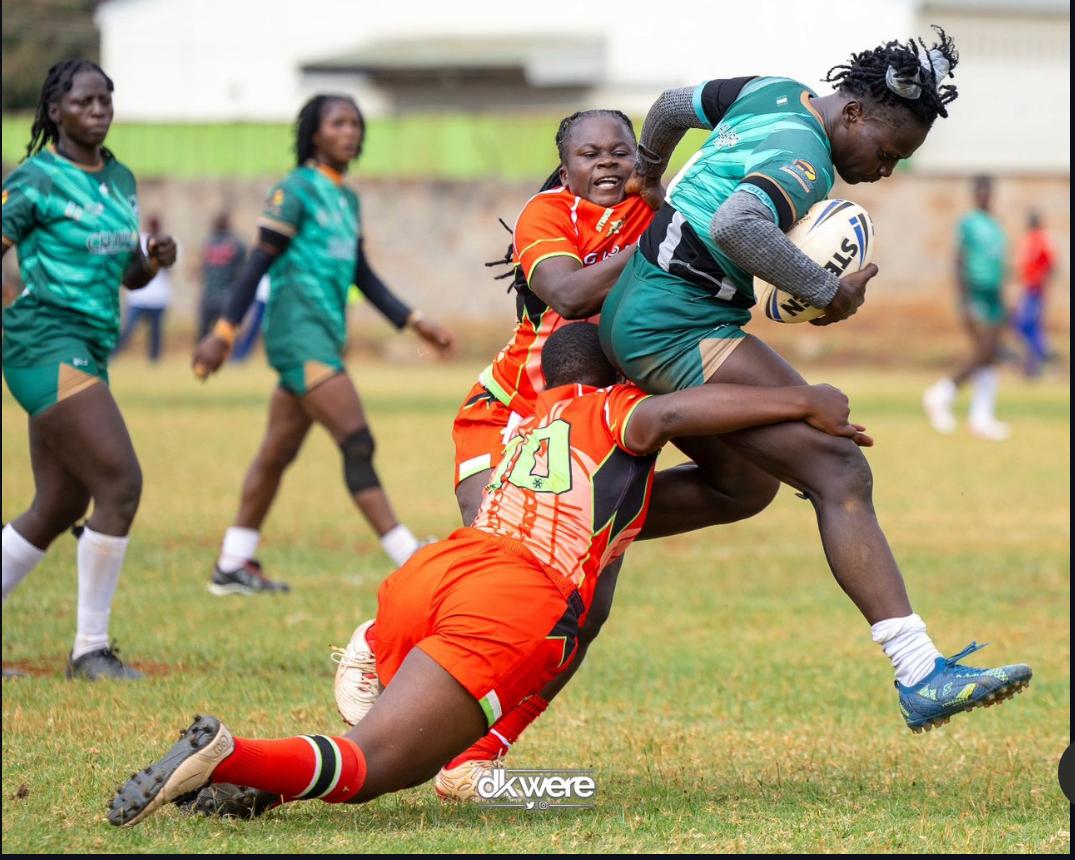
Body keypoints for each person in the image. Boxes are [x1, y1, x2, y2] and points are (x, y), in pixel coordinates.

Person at [109, 323, 963, 827]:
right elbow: (669, 413)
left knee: (473, 705)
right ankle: (227, 754)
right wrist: (801, 399)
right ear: (614, 374)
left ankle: (320, 718)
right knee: (375, 770)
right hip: (508, 599)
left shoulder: (527, 426)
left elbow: (709, 497)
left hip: (437, 570)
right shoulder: (614, 408)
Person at [596, 28, 1031, 727]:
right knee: (836, 468)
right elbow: (741, 225)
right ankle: (919, 671)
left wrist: (651, 171)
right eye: (886, 154)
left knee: (742, 486)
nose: (884, 170)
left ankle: (575, 528)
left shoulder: (772, 92)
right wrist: (828, 294)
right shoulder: (805, 160)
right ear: (852, 115)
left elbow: (674, 104)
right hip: (669, 325)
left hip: (658, 309)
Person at [338, 110, 778, 794]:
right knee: (502, 570)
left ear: (642, 158)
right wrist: (665, 243)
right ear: (565, 165)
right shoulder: (547, 214)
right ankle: (382, 638)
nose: (605, 164)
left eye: (620, 151)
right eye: (588, 153)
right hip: (513, 413)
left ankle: (476, 756)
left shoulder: (654, 209)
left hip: (595, 421)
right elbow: (570, 293)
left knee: (583, 612)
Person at [191, 94, 454, 595]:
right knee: (357, 439)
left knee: (276, 452)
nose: (349, 131)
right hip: (297, 337)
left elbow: (361, 274)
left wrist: (415, 320)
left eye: (355, 123)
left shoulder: (347, 199)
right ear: (314, 133)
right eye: (338, 123)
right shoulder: (295, 190)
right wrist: (223, 334)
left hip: (325, 337)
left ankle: (232, 564)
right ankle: (409, 557)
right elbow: (256, 263)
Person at [1, 59, 177, 680]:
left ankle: (88, 649)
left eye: (107, 99)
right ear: (55, 111)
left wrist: (153, 261)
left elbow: (127, 273)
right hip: (42, 343)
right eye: (84, 101)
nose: (99, 109)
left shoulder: (120, 178)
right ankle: (89, 650)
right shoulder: (34, 181)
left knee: (57, 502)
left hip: (88, 346)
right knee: (120, 482)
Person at [923, 176, 1011, 438]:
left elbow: (998, 263)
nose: (985, 195)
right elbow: (959, 260)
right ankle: (941, 393)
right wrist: (966, 299)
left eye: (988, 191)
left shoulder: (996, 225)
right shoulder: (969, 224)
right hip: (977, 294)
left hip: (995, 295)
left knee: (991, 355)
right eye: (981, 190)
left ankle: (981, 418)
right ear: (975, 193)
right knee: (983, 351)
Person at [114, 214, 172, 362]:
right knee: (127, 330)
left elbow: (171, 267)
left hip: (159, 298)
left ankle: (154, 361)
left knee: (155, 335)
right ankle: (112, 356)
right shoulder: (140, 240)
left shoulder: (167, 243)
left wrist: (161, 258)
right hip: (139, 297)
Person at [1012, 211, 1056, 378]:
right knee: (1028, 326)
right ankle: (1034, 364)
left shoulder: (1043, 239)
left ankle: (1043, 353)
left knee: (1026, 324)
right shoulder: (1027, 240)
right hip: (1028, 287)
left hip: (1036, 289)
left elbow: (1051, 264)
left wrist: (1044, 282)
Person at [198, 212, 246, 341]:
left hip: (211, 294)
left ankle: (203, 356)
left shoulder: (208, 242)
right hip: (225, 295)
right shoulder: (237, 244)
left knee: (206, 332)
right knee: (225, 331)